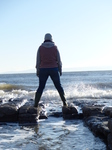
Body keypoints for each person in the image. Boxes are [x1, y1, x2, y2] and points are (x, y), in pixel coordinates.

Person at [34, 33, 68, 107]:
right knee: (58, 86)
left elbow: (38, 61)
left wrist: (37, 70)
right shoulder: (55, 48)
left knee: (41, 87)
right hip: (54, 69)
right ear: (51, 39)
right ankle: (65, 103)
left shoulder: (40, 48)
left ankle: (35, 104)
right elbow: (59, 60)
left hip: (43, 69)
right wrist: (60, 69)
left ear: (44, 39)